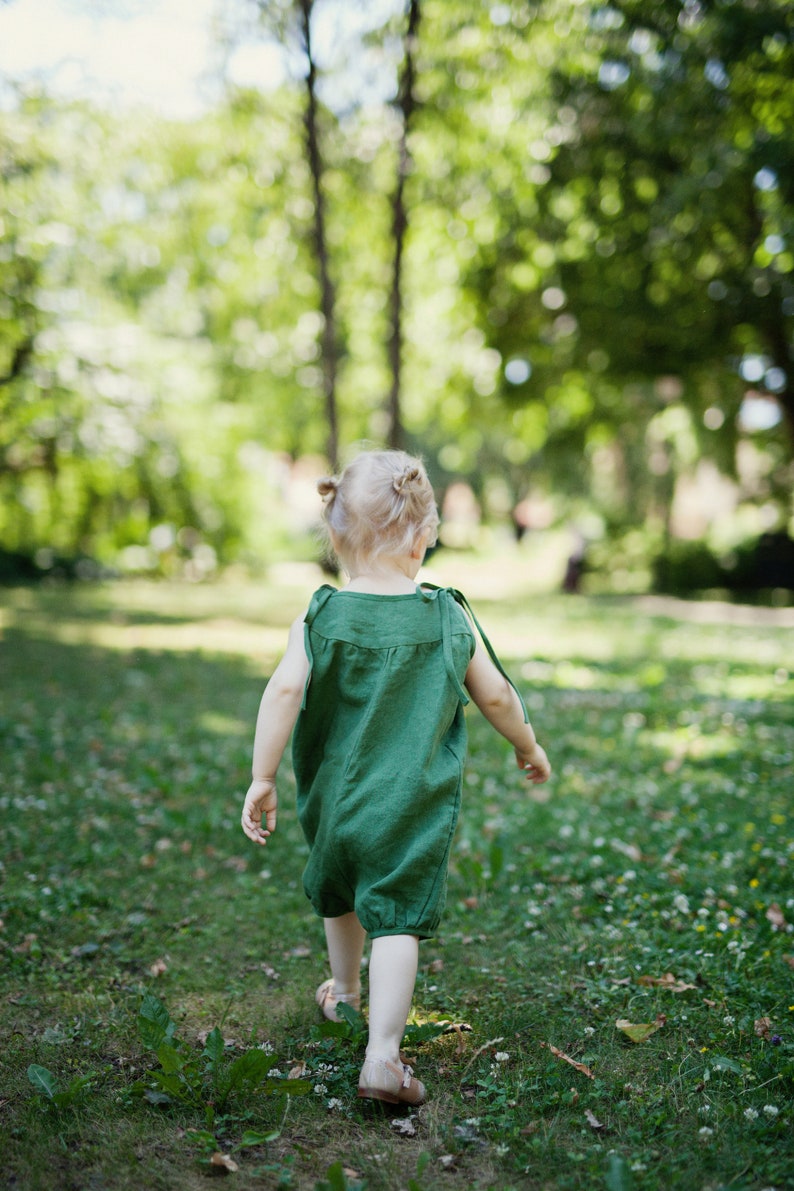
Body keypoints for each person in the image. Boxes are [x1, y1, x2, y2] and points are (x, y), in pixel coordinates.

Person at [241, 449, 551, 1106]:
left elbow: (284, 687)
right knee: (396, 917)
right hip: (411, 804)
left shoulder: (322, 613)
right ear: (422, 539)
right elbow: (495, 695)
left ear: (336, 537)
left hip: (336, 798)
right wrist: (527, 743)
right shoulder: (444, 615)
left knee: (345, 885)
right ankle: (382, 1053)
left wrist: (261, 776)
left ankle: (345, 993)